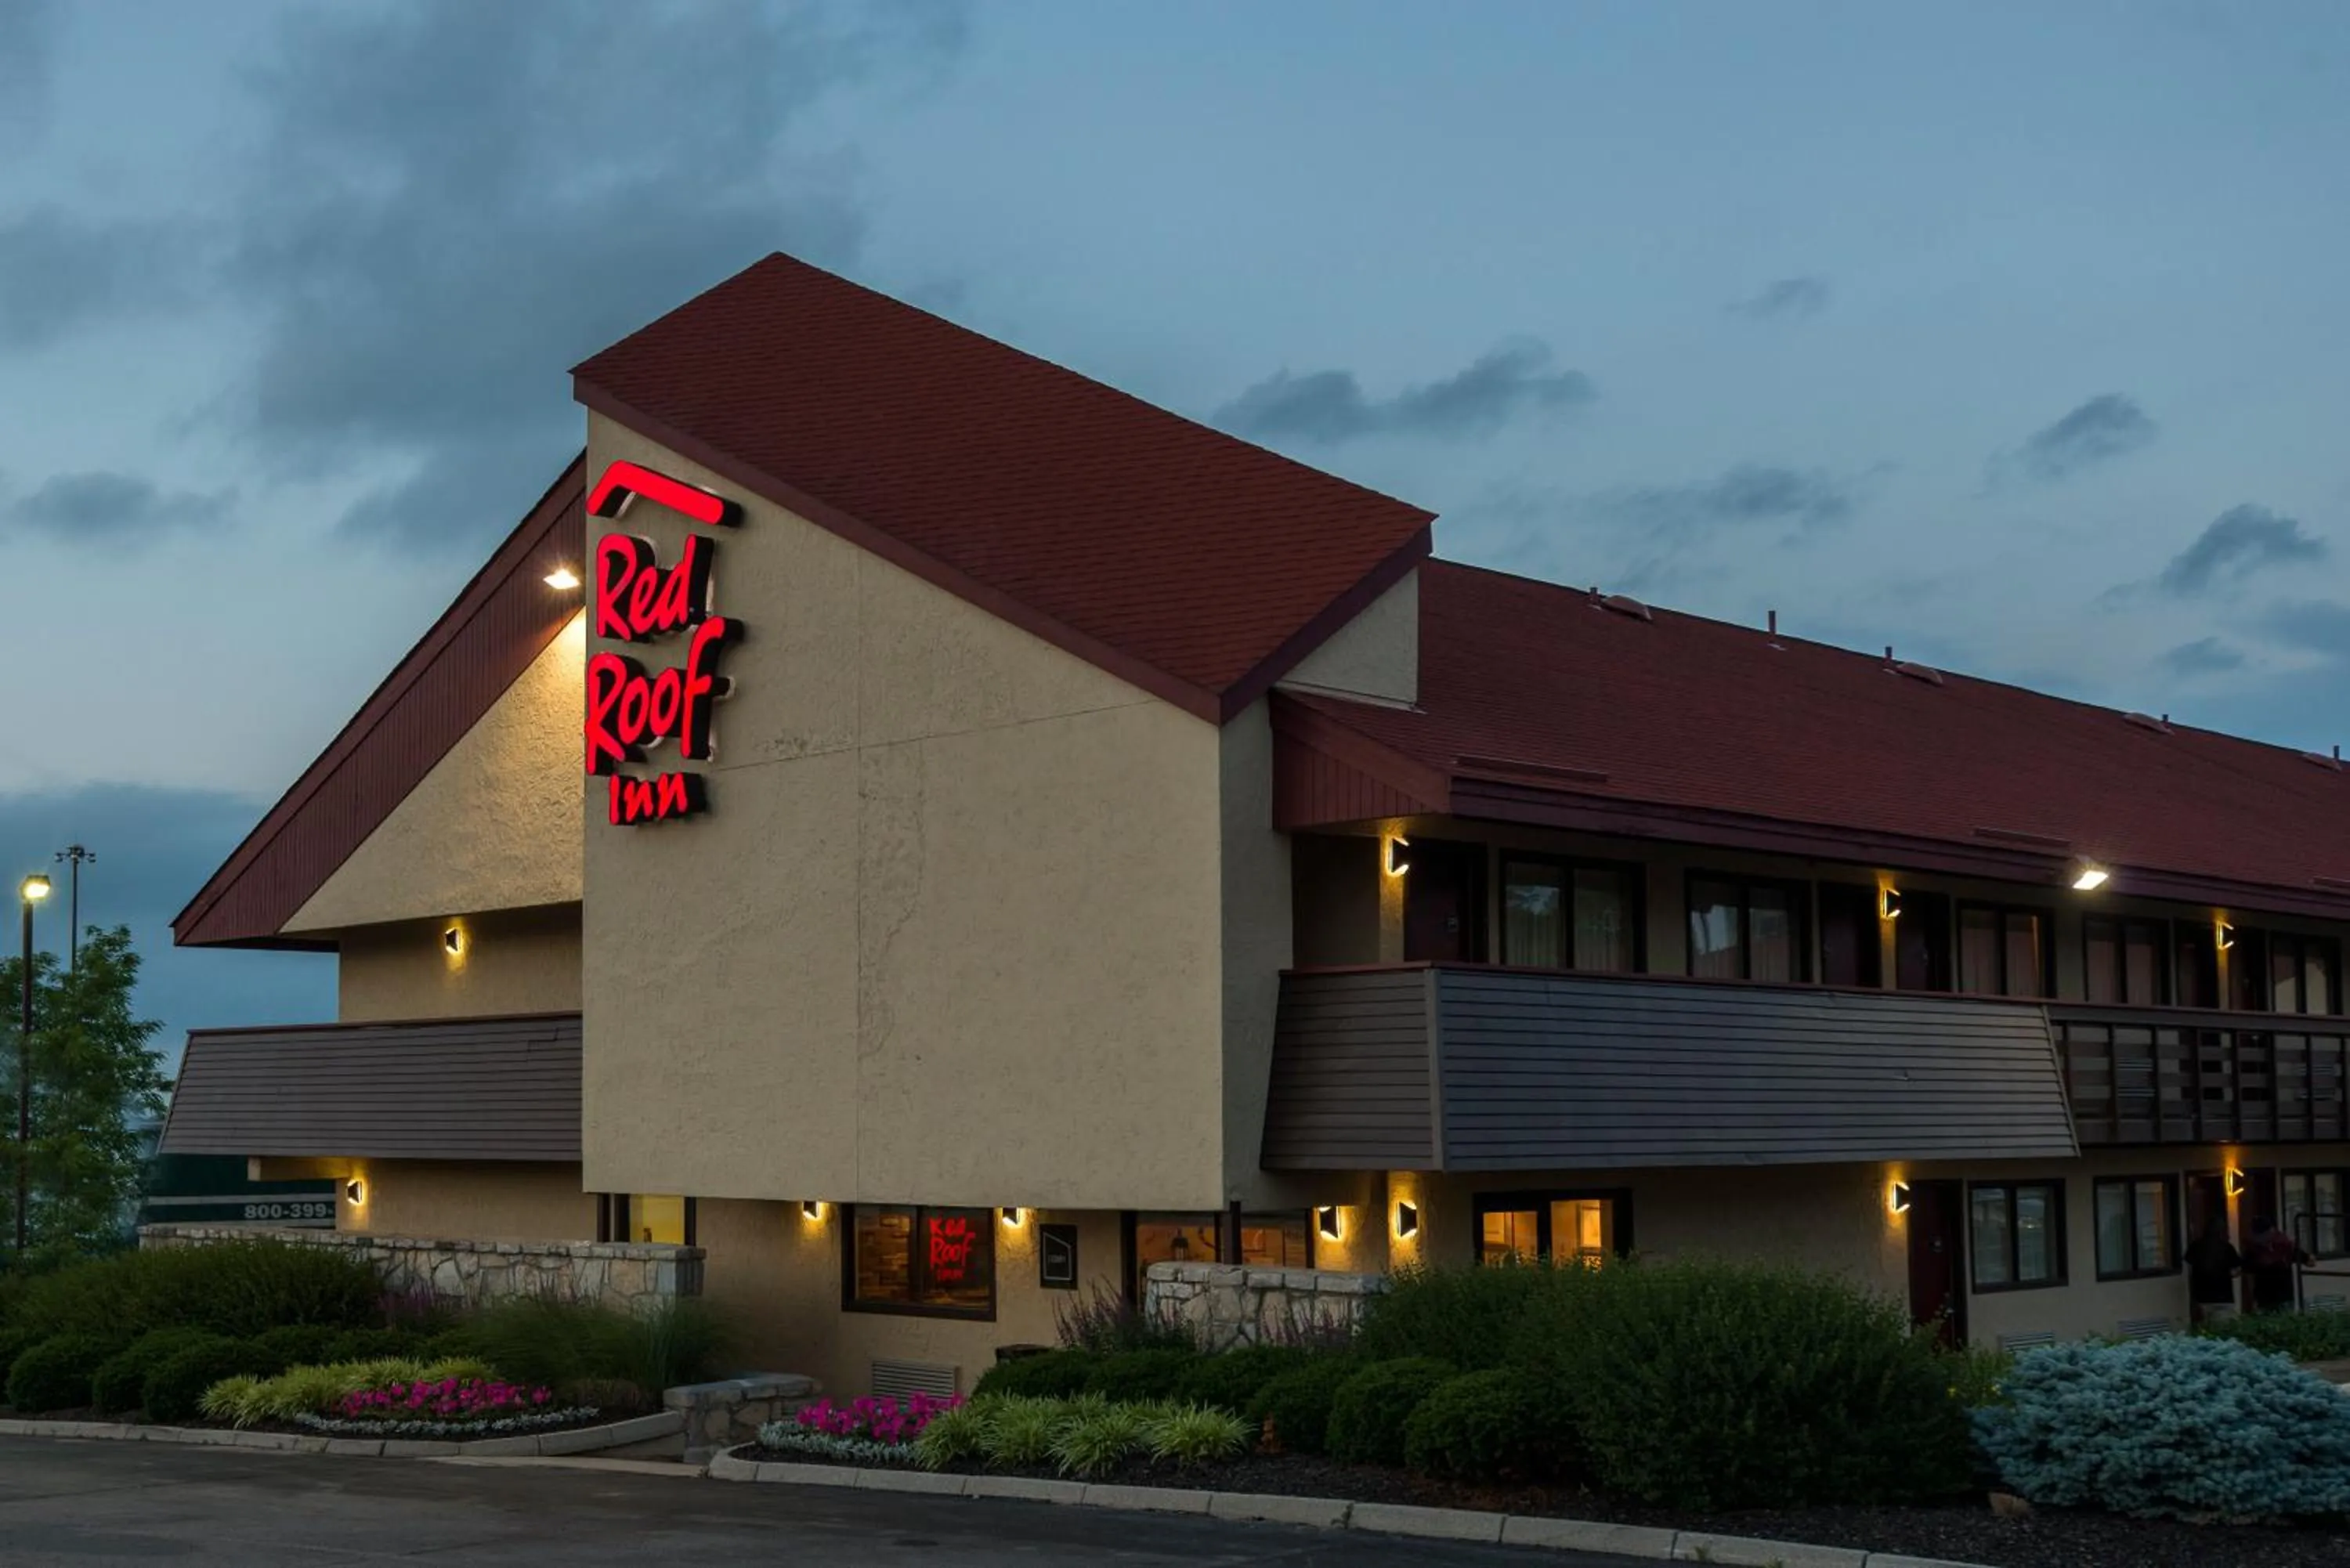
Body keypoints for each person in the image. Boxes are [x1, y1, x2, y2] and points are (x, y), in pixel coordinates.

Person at [2245, 1216, 2312, 1313]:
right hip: (2266, 1298)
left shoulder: (2284, 1246)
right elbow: (2249, 1275)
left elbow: (2310, 1261)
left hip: (2281, 1297)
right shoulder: (2253, 1250)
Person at [2184, 1219, 2240, 1325]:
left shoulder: (2196, 1246)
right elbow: (2237, 1269)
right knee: (2222, 1329)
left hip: (2202, 1295)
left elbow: (2189, 1266)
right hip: (2224, 1296)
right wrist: (2229, 1275)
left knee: (2204, 1328)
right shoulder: (2227, 1247)